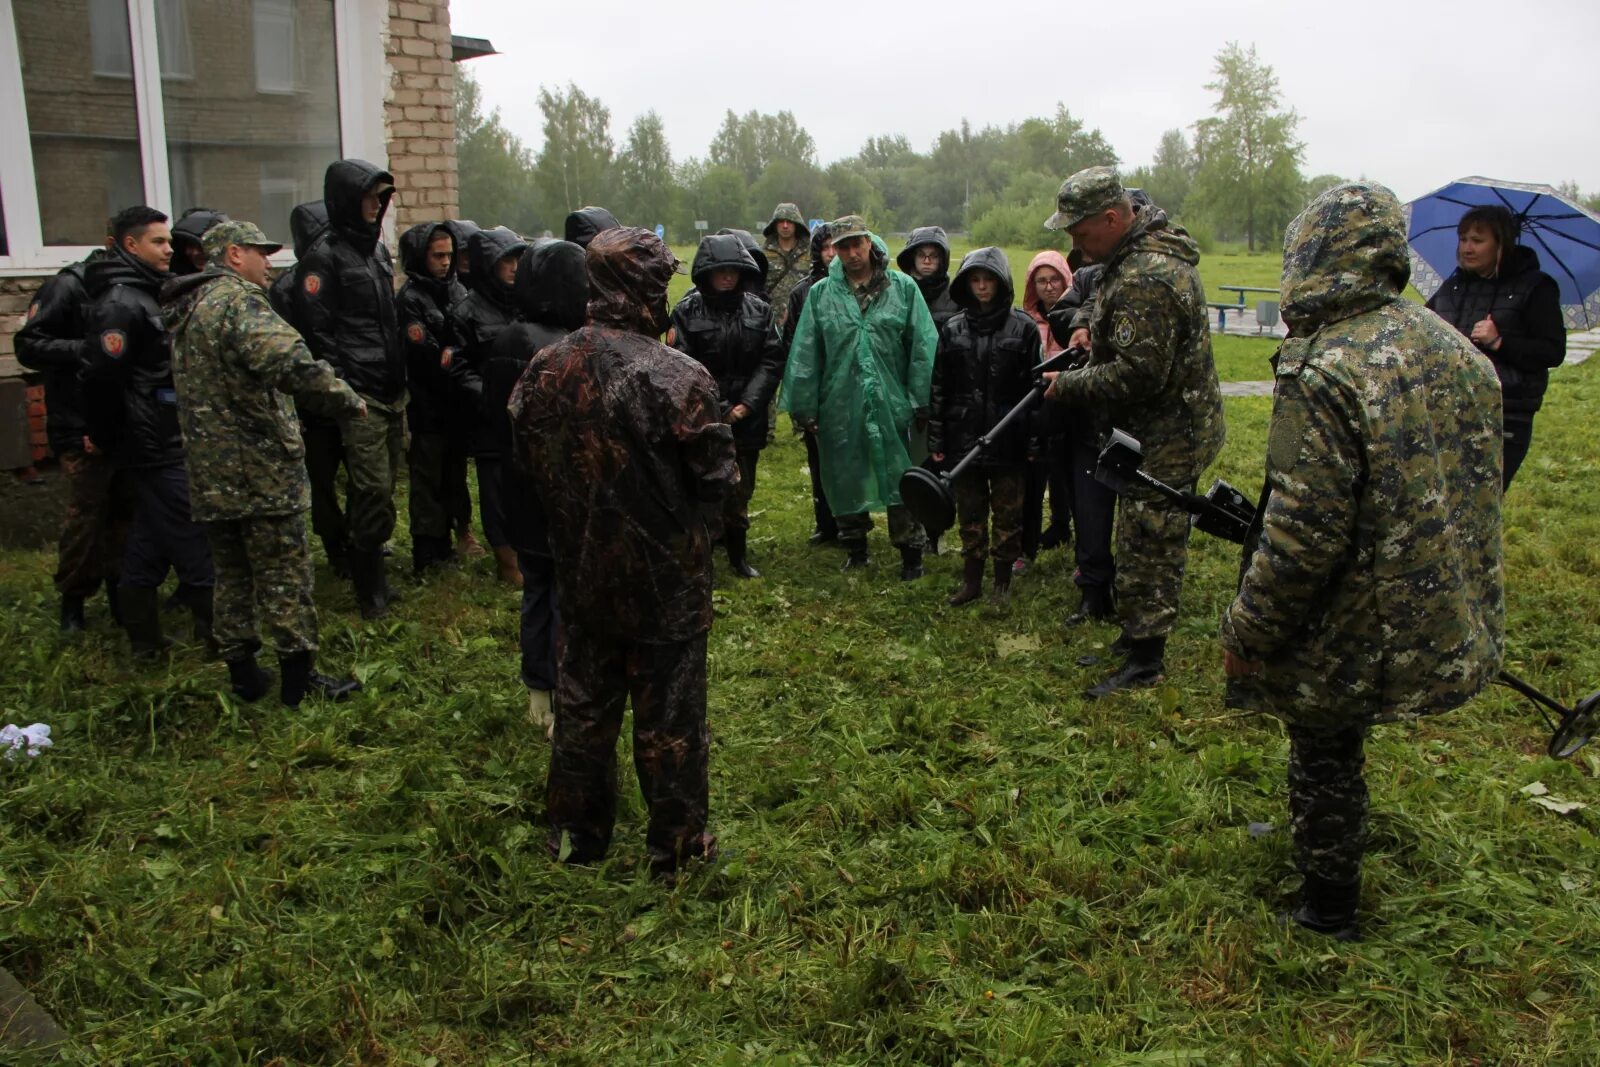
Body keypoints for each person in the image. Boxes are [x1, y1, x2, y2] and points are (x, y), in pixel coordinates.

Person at [1221, 182, 1504, 941]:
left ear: (1311, 253)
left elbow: (1298, 527)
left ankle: (1328, 898)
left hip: (1353, 606)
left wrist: (1247, 628)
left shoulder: (1321, 368)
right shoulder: (1454, 347)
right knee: (1334, 742)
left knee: (1323, 739)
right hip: (1433, 594)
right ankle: (1321, 838)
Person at [509, 226, 738, 881]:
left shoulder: (544, 367)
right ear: (643, 288)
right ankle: (677, 851)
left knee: (583, 710)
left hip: (581, 576)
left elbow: (526, 460)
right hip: (667, 586)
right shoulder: (677, 375)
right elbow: (719, 481)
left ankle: (576, 837)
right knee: (670, 724)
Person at [163, 221, 366, 707]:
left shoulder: (188, 308)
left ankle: (244, 674)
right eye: (259, 252)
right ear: (233, 254)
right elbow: (289, 363)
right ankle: (299, 682)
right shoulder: (239, 304)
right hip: (259, 470)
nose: (268, 263)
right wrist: (344, 397)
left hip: (212, 472)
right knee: (283, 575)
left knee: (231, 573)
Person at [1043, 167, 1224, 697]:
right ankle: (1134, 635)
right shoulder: (1127, 259)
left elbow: (1140, 374)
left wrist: (1071, 384)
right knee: (1137, 530)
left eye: (1080, 233)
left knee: (1152, 539)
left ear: (1114, 218)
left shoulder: (1149, 273)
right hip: (1152, 429)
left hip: (1168, 433)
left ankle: (1147, 659)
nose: (1074, 245)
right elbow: (1117, 327)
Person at [80, 206, 216, 656]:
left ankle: (143, 643)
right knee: (195, 537)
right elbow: (102, 379)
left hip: (165, 435)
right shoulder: (121, 302)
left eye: (169, 242)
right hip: (152, 442)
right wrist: (105, 436)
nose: (169, 250)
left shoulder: (148, 292)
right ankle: (219, 641)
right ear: (130, 245)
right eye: (158, 242)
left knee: (150, 540)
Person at [784, 216, 937, 578]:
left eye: (857, 243)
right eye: (843, 246)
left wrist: (920, 398)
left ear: (869, 242)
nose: (852, 253)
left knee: (902, 472)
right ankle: (855, 546)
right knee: (844, 472)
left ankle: (910, 552)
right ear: (833, 250)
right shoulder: (822, 295)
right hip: (838, 400)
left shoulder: (902, 288)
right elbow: (807, 353)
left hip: (892, 399)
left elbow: (923, 347)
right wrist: (805, 406)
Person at [291, 159, 406, 619]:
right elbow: (317, 334)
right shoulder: (324, 257)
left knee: (384, 484)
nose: (377, 206)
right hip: (360, 394)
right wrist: (344, 389)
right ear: (346, 199)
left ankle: (373, 568)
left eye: (382, 198)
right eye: (369, 197)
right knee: (371, 487)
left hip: (392, 388)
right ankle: (368, 587)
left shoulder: (377, 252)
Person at [491, 238, 588, 732]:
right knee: (560, 595)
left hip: (519, 485)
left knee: (538, 591)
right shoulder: (560, 345)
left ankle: (538, 692)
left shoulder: (509, 336)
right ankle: (558, 692)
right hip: (557, 489)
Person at [15, 226, 128, 633]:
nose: (166, 250)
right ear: (121, 244)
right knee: (86, 518)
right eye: (157, 241)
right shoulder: (68, 285)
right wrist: (87, 348)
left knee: (124, 517)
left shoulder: (134, 287)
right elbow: (28, 345)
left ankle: (123, 600)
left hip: (125, 423)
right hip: (77, 423)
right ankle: (73, 603)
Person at [670, 232, 786, 578]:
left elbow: (772, 360)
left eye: (733, 270)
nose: (727, 277)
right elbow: (682, 362)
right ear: (706, 273)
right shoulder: (686, 312)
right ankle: (703, 553)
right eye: (720, 270)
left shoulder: (760, 311)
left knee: (741, 487)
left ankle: (738, 556)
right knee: (702, 485)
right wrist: (719, 407)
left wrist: (747, 405)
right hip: (703, 417)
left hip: (747, 418)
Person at [928, 248, 1041, 605]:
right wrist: (937, 435)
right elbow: (939, 387)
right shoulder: (952, 328)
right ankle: (972, 580)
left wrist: (1034, 441)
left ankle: (1002, 583)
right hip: (964, 438)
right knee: (970, 513)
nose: (981, 287)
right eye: (975, 280)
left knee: (1009, 515)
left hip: (1009, 437)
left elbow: (1036, 390)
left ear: (1001, 283)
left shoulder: (1023, 328)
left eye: (988, 280)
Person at [1424, 204, 1566, 487]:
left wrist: (1500, 342)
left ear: (1501, 243)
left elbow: (1552, 351)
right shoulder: (1453, 287)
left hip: (1504, 415)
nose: (1467, 248)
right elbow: (1422, 329)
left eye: (1478, 240)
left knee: (1482, 505)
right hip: (1448, 409)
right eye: (1463, 239)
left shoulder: (1536, 287)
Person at [449, 225, 530, 587]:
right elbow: (459, 368)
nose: (513, 268)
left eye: (517, 260)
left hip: (529, 415)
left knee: (529, 484)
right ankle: (506, 560)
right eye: (505, 261)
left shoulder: (527, 303)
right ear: (487, 265)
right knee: (495, 490)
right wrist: (493, 398)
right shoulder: (466, 312)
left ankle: (530, 550)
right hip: (490, 419)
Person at [1045, 258, 1118, 628]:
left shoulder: (1155, 273)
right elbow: (1059, 313)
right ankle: (1093, 591)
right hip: (1090, 420)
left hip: (1143, 425)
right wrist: (1081, 323)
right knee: (1090, 511)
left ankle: (1139, 592)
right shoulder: (1090, 276)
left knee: (1144, 521)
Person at [397, 221, 468, 576]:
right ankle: (427, 549)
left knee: (452, 473)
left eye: (449, 255)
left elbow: (465, 334)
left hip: (456, 399)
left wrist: (456, 353)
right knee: (427, 476)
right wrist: (450, 354)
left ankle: (449, 539)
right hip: (428, 401)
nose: (444, 262)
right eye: (437, 255)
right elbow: (422, 349)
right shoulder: (411, 298)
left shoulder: (456, 291)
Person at [1019, 250, 1075, 571]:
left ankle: (1061, 523)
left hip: (1068, 402)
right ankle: (1029, 538)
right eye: (1041, 281)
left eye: (1054, 279)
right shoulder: (1029, 322)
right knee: (1036, 471)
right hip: (1036, 406)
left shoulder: (1078, 319)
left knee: (1064, 472)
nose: (1049, 287)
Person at [782, 223, 838, 546]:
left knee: (848, 459)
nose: (831, 254)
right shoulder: (801, 293)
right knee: (817, 460)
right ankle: (825, 523)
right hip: (815, 389)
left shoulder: (859, 288)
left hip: (846, 386)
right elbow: (792, 348)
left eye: (836, 246)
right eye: (826, 247)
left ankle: (851, 522)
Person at [897, 227, 960, 334]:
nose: (927, 261)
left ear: (942, 259)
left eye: (934, 256)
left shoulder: (956, 296)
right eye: (921, 255)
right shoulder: (898, 293)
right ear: (913, 258)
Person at [761, 203, 811, 324]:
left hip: (803, 318)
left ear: (796, 224)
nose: (785, 226)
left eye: (789, 221)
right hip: (770, 320)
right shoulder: (763, 253)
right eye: (781, 221)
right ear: (775, 224)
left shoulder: (810, 253)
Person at [169, 209, 228, 276]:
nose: (195, 253)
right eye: (190, 245)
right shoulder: (175, 279)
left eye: (201, 246)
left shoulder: (235, 281)